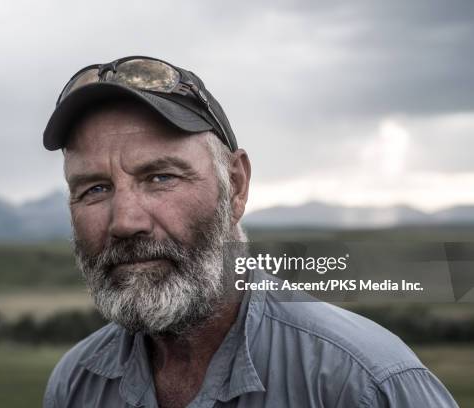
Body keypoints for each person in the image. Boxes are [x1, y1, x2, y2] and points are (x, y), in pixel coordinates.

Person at [41, 56, 457, 408]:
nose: (126, 222)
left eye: (160, 177)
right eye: (94, 189)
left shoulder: (361, 382)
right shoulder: (78, 384)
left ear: (236, 186)